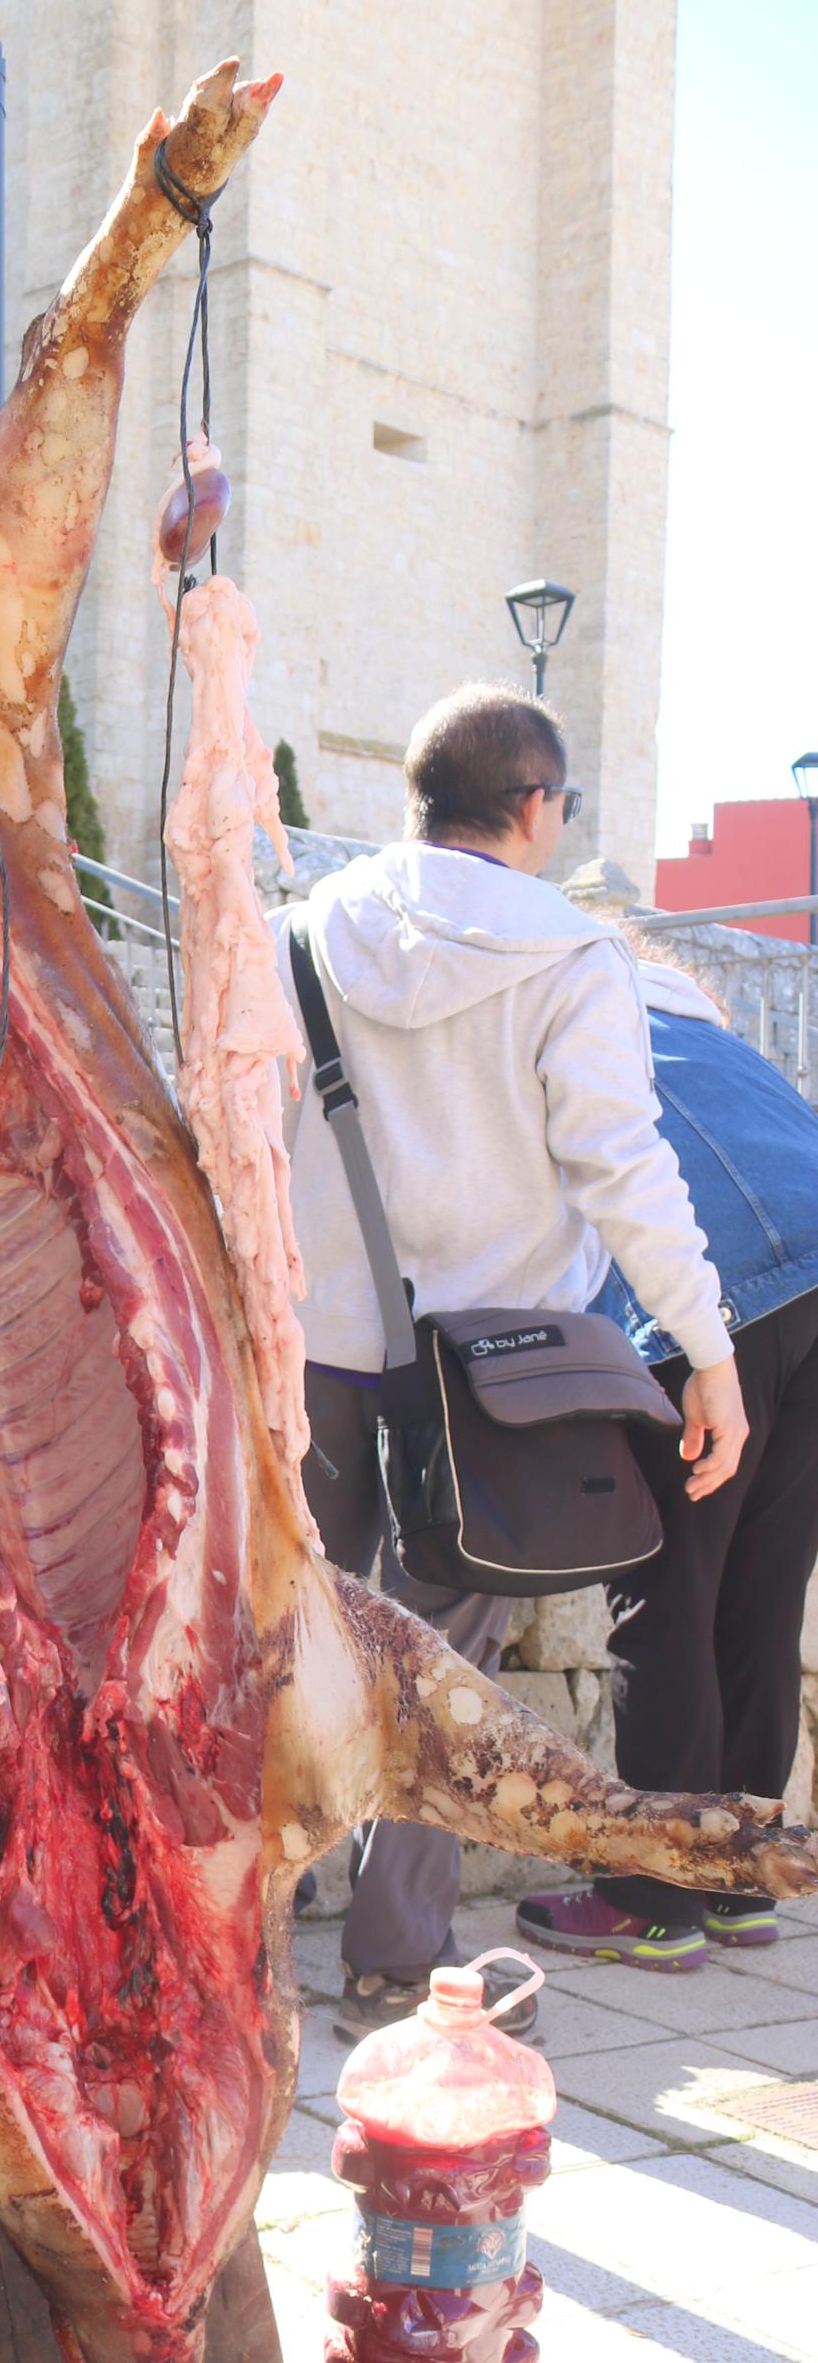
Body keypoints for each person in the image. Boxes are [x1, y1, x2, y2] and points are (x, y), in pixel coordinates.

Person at [275, 683, 746, 2043]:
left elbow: (231, 1126)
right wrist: (702, 1352)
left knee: (278, 1644)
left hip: (311, 1353)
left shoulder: (299, 933)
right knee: (436, 1674)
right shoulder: (574, 957)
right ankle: (392, 1962)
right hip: (491, 1383)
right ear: (537, 809)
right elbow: (624, 1169)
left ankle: (231, 1949)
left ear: (416, 799)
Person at [517, 959, 818, 1967]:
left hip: (704, 1300)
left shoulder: (552, 1005)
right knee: (764, 1598)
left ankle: (654, 1897)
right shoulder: (708, 1025)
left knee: (670, 1594)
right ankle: (741, 1881)